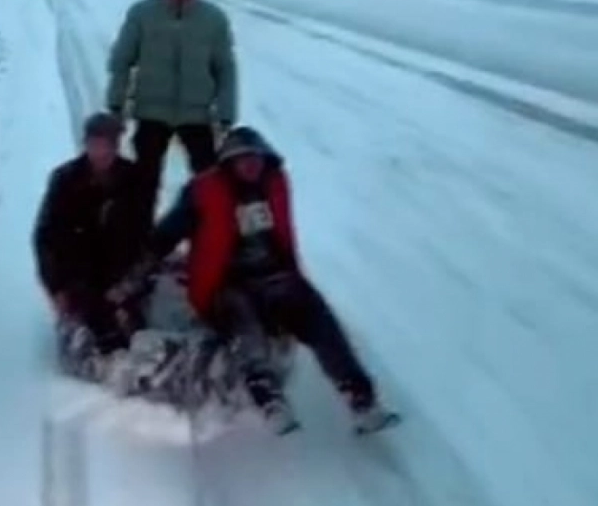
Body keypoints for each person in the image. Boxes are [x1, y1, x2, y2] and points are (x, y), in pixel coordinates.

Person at [109, 126, 398, 435]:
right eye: (241, 160)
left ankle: (359, 397)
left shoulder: (273, 186)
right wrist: (133, 279)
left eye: (255, 159)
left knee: (319, 318)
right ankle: (268, 399)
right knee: (245, 325)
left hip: (274, 276)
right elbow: (164, 237)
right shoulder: (203, 193)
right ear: (229, 164)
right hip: (224, 282)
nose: (250, 166)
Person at [106, 0, 238, 231]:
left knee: (208, 184)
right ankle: (139, 248)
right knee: (144, 185)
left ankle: (207, 244)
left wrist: (226, 113)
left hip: (197, 115)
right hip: (151, 111)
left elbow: (225, 68)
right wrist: (116, 106)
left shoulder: (213, 19)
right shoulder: (142, 14)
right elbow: (121, 60)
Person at [33, 112, 147, 379]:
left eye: (108, 144)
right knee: (96, 334)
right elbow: (45, 237)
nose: (102, 151)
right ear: (85, 144)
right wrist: (56, 286)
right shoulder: (64, 179)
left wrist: (134, 277)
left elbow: (143, 231)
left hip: (120, 267)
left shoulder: (133, 178)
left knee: (140, 325)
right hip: (79, 272)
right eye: (96, 143)